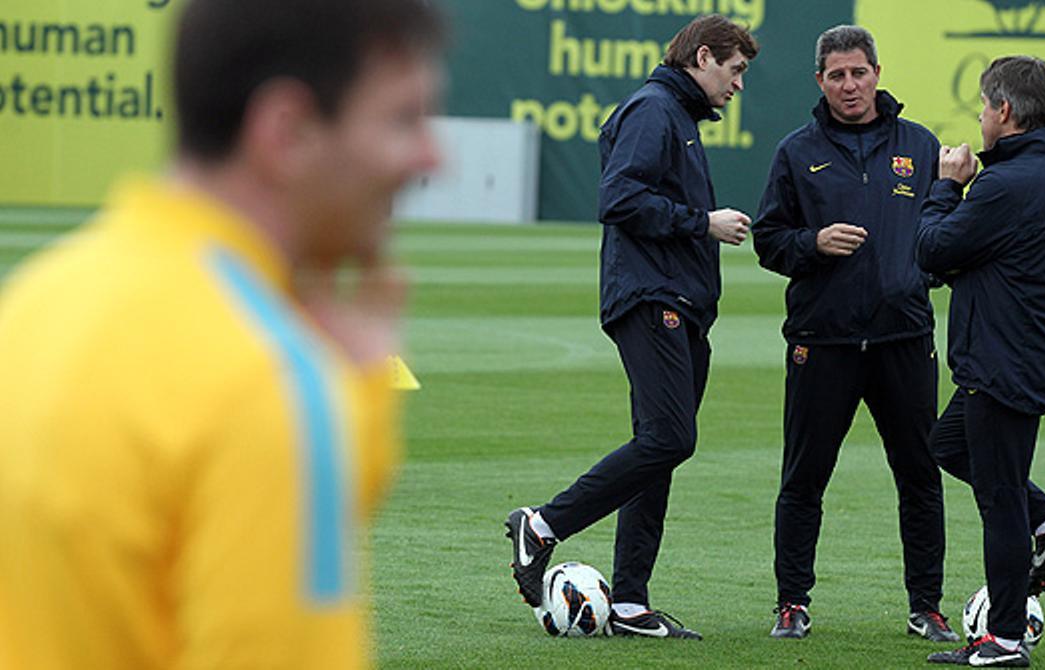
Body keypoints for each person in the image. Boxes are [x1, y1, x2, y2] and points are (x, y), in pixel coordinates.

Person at [0, 1, 443, 668]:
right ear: (287, 131)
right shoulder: (270, 384)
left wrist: (350, 413)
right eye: (402, 119)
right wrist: (320, 408)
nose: (433, 157)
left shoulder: (36, 298)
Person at [505, 14, 757, 640]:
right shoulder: (654, 109)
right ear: (704, 57)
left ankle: (628, 603)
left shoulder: (677, 115)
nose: (738, 84)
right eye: (734, 70)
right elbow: (617, 199)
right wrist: (703, 223)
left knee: (657, 451)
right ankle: (542, 525)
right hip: (652, 296)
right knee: (670, 438)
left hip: (681, 301)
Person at [751, 24, 957, 641]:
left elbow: (945, 231)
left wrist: (924, 274)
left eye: (858, 73)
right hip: (823, 339)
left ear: (877, 74)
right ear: (820, 81)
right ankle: (792, 603)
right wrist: (812, 243)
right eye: (837, 75)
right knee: (804, 478)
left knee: (919, 477)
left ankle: (927, 607)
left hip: (904, 337)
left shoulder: (919, 145)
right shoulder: (796, 151)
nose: (849, 85)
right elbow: (768, 240)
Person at [918, 56, 1045, 667]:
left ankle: (1004, 640)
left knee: (1000, 498)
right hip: (1025, 353)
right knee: (949, 446)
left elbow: (932, 249)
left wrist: (946, 186)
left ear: (1005, 111)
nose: (981, 118)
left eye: (985, 107)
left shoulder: (1006, 184)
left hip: (1004, 361)